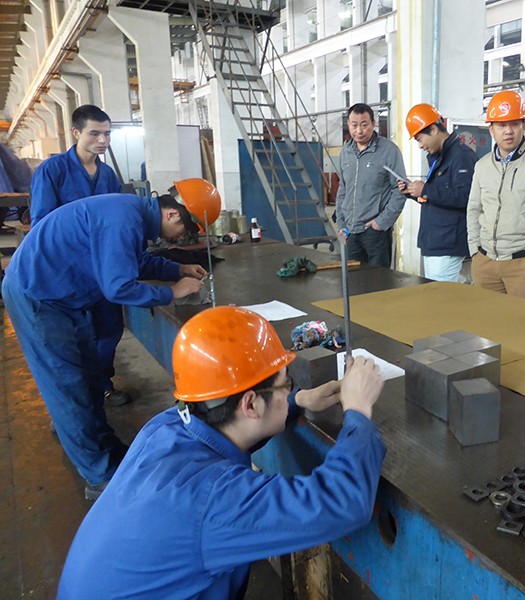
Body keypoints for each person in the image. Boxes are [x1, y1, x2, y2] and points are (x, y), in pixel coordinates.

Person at [58, 306, 386, 599]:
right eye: (286, 383)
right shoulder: (214, 500)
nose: (289, 388)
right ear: (250, 404)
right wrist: (358, 410)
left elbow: (230, 420)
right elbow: (342, 502)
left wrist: (297, 400)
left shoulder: (167, 425)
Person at [2, 184, 218, 500]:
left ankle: (83, 435)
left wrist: (178, 268)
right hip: (37, 295)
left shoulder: (132, 215)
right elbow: (118, 287)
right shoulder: (123, 219)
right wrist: (172, 292)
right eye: (184, 231)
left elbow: (134, 262)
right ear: (173, 213)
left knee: (89, 374)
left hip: (61, 298)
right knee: (69, 383)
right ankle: (99, 474)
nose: (180, 239)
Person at [29, 105, 130, 405]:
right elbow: (42, 224)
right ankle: (78, 398)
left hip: (102, 270)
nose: (102, 140)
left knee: (110, 329)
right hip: (67, 273)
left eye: (107, 134)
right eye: (94, 134)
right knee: (75, 338)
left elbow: (114, 220)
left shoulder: (108, 175)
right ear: (76, 132)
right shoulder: (53, 170)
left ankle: (103, 385)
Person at [466, 90, 525, 301]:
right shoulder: (482, 166)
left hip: (523, 264)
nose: (508, 131)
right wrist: (474, 250)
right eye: (501, 125)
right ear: (491, 129)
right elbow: (474, 208)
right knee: (486, 320)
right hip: (485, 262)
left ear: (523, 126)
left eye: (514, 124)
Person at [398, 103, 477, 282]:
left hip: (448, 241)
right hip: (434, 239)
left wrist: (425, 190)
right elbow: (437, 197)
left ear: (433, 129)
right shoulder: (440, 157)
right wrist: (412, 192)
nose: (420, 145)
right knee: (437, 288)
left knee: (443, 291)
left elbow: (466, 196)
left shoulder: (462, 156)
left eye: (420, 139)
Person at [335, 103, 407, 268]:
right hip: (350, 232)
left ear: (374, 124)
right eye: (354, 125)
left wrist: (381, 222)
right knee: (353, 278)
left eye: (364, 124)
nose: (359, 131)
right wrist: (341, 222)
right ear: (348, 125)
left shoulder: (389, 151)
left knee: (378, 279)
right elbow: (343, 189)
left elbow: (400, 190)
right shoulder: (346, 152)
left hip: (375, 233)